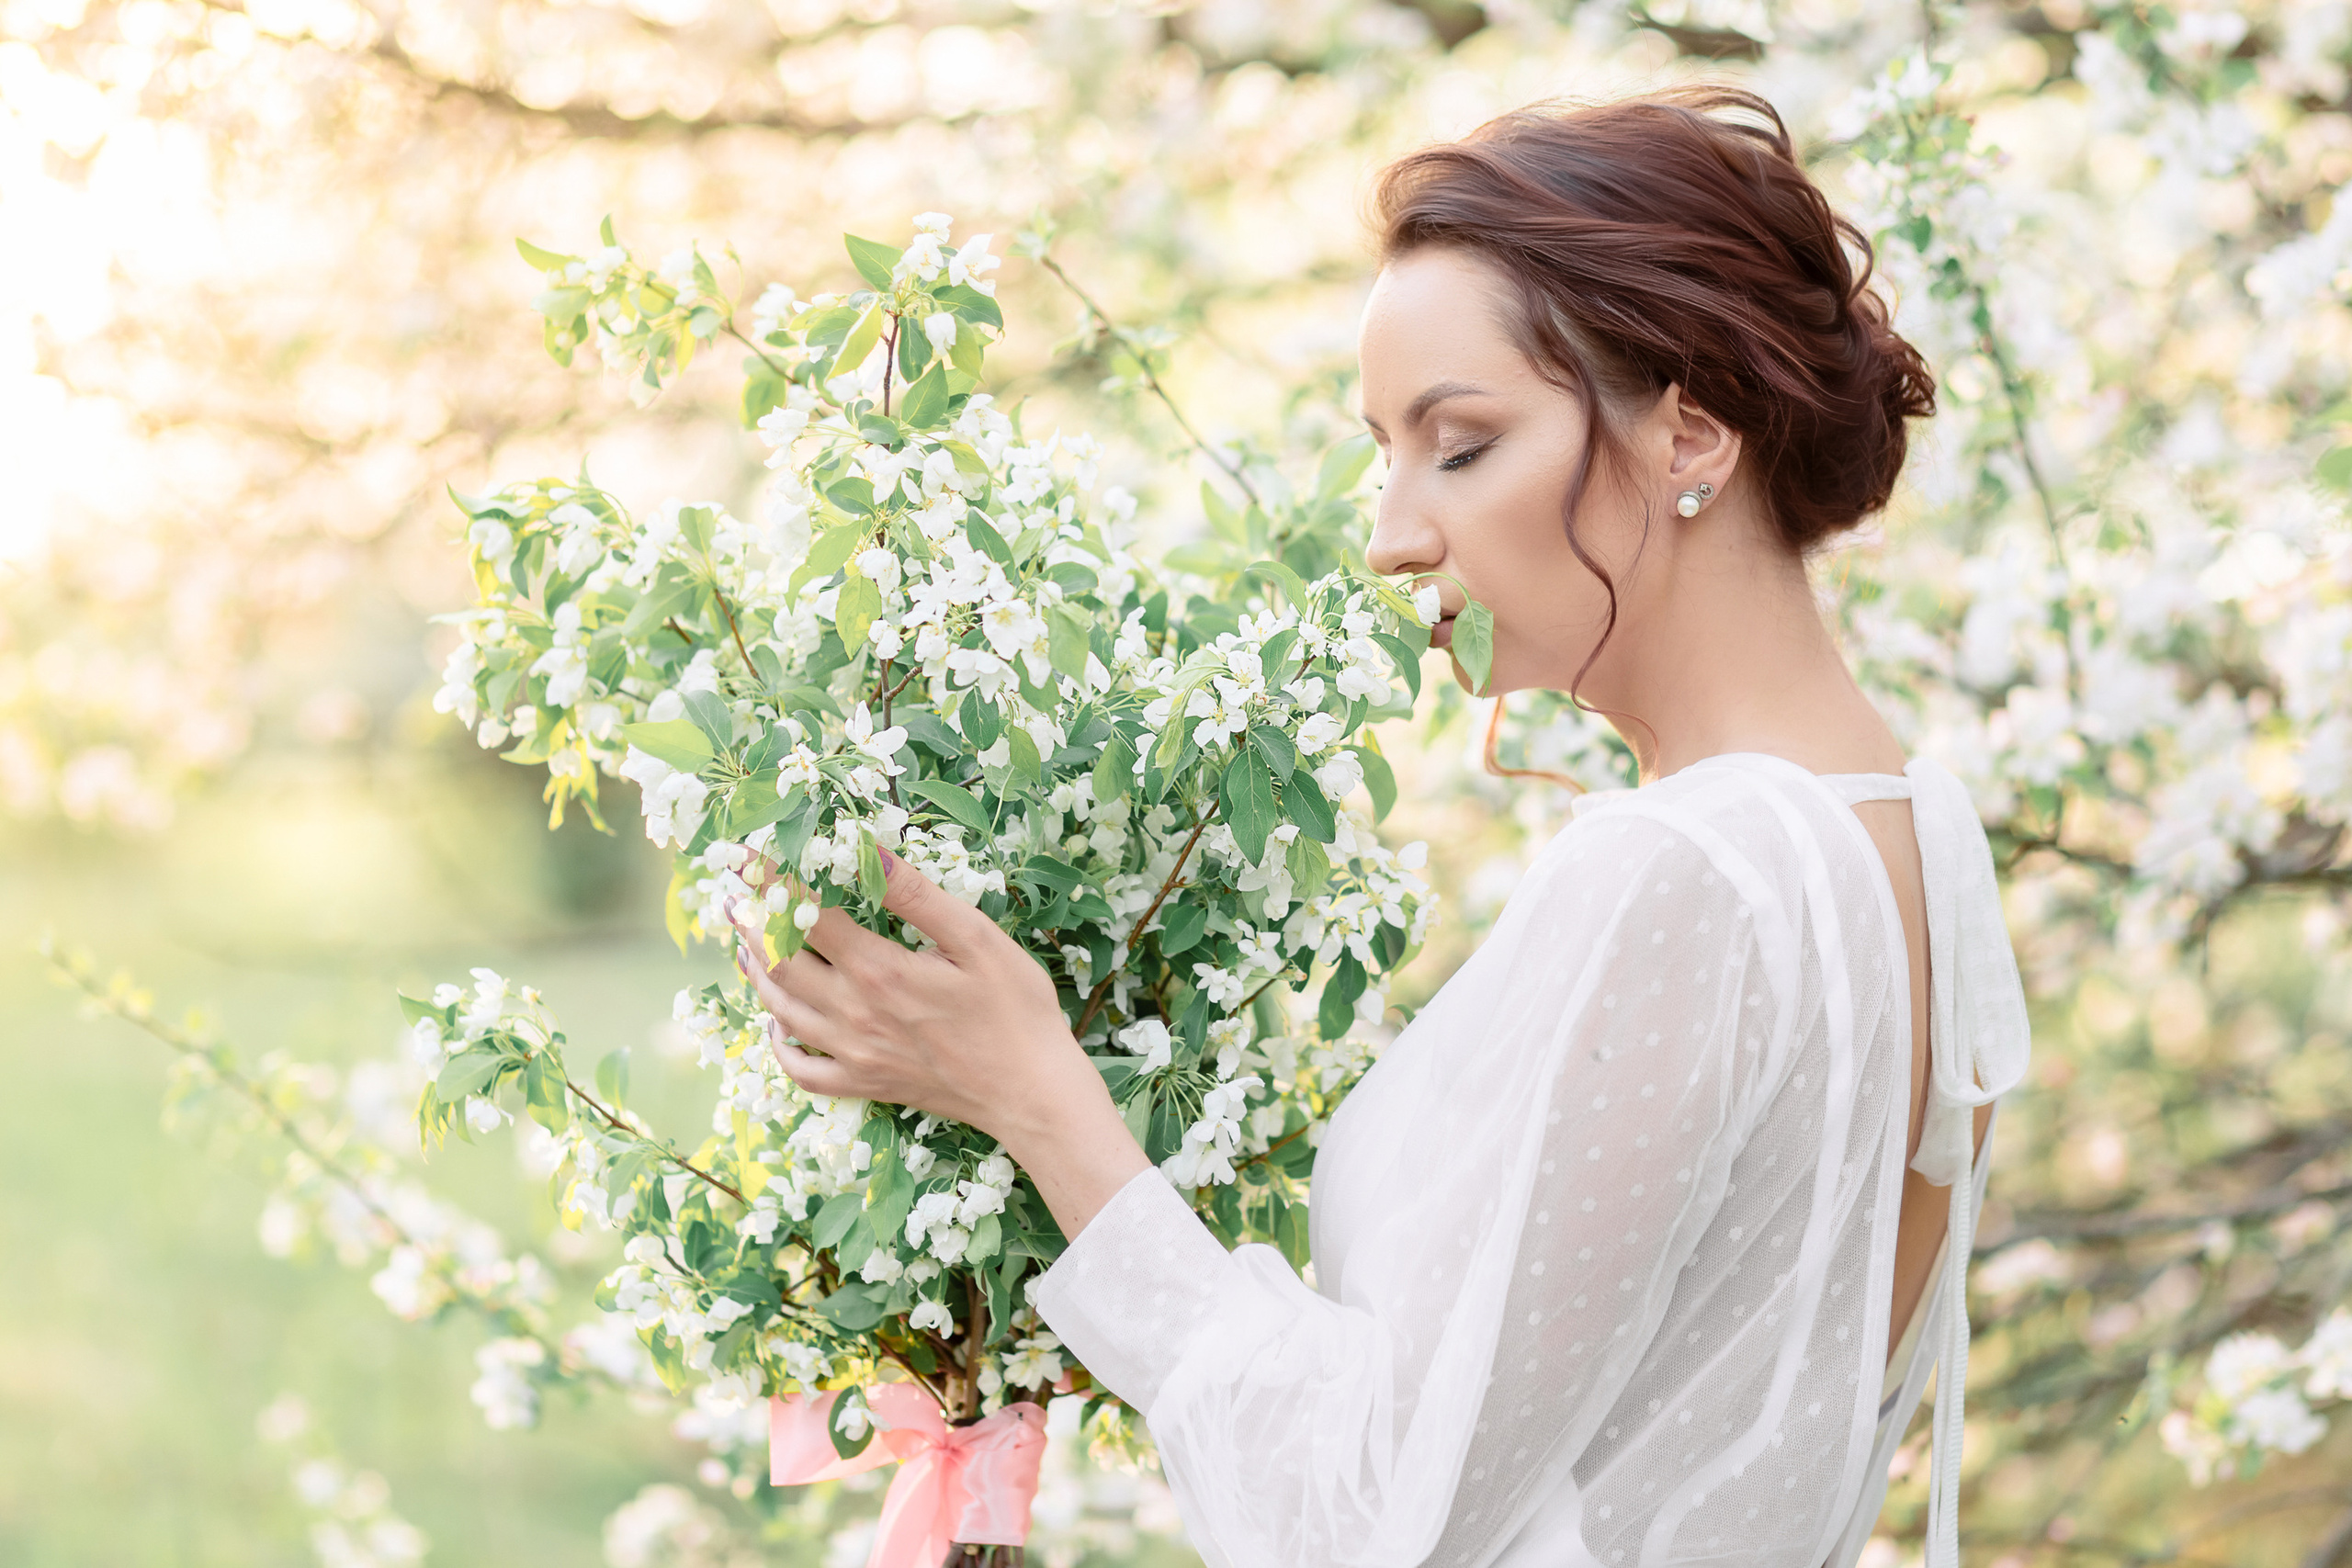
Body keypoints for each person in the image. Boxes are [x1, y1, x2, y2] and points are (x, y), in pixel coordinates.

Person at [729, 85, 2032, 1568]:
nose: (1394, 533)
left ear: (1692, 436)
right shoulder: (1920, 839)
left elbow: (1369, 1524)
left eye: (1460, 446)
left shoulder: (1688, 876)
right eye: (1384, 451)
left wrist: (1042, 1099)